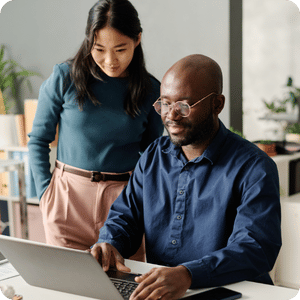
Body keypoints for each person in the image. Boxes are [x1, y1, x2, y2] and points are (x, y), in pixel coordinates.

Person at [91, 54, 282, 300]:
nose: (171, 115)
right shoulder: (153, 156)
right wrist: (110, 244)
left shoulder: (255, 167)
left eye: (183, 105)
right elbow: (125, 216)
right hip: (162, 293)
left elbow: (254, 249)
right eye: (165, 104)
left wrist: (189, 274)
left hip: (232, 293)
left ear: (217, 104)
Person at [28, 0, 163, 254]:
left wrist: (146, 204)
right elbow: (38, 140)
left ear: (137, 40)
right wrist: (46, 195)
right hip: (68, 201)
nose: (110, 60)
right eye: (99, 48)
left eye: (120, 49)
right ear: (89, 41)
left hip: (124, 207)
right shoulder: (64, 77)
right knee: (68, 289)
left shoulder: (152, 91)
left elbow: (151, 158)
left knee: (123, 287)